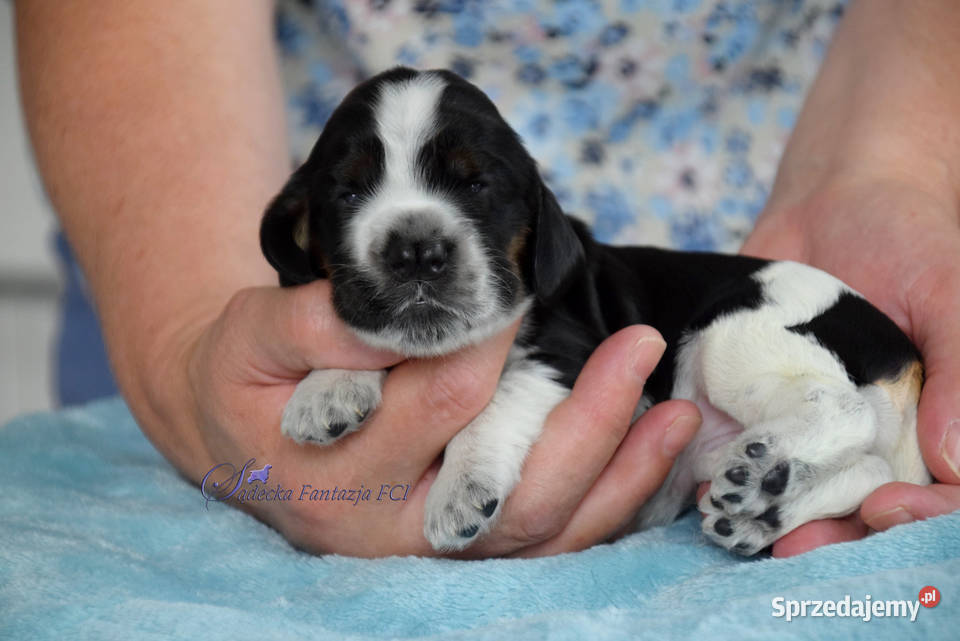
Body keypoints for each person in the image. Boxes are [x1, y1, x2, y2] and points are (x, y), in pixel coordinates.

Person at [15, 0, 959, 558]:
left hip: (791, 276)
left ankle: (829, 431)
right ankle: (819, 460)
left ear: (538, 234)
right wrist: (195, 341)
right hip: (183, 206)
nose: (420, 241)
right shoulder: (293, 259)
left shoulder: (564, 294)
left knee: (729, 354)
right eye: (354, 195)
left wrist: (890, 169)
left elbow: (540, 378)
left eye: (471, 188)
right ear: (297, 228)